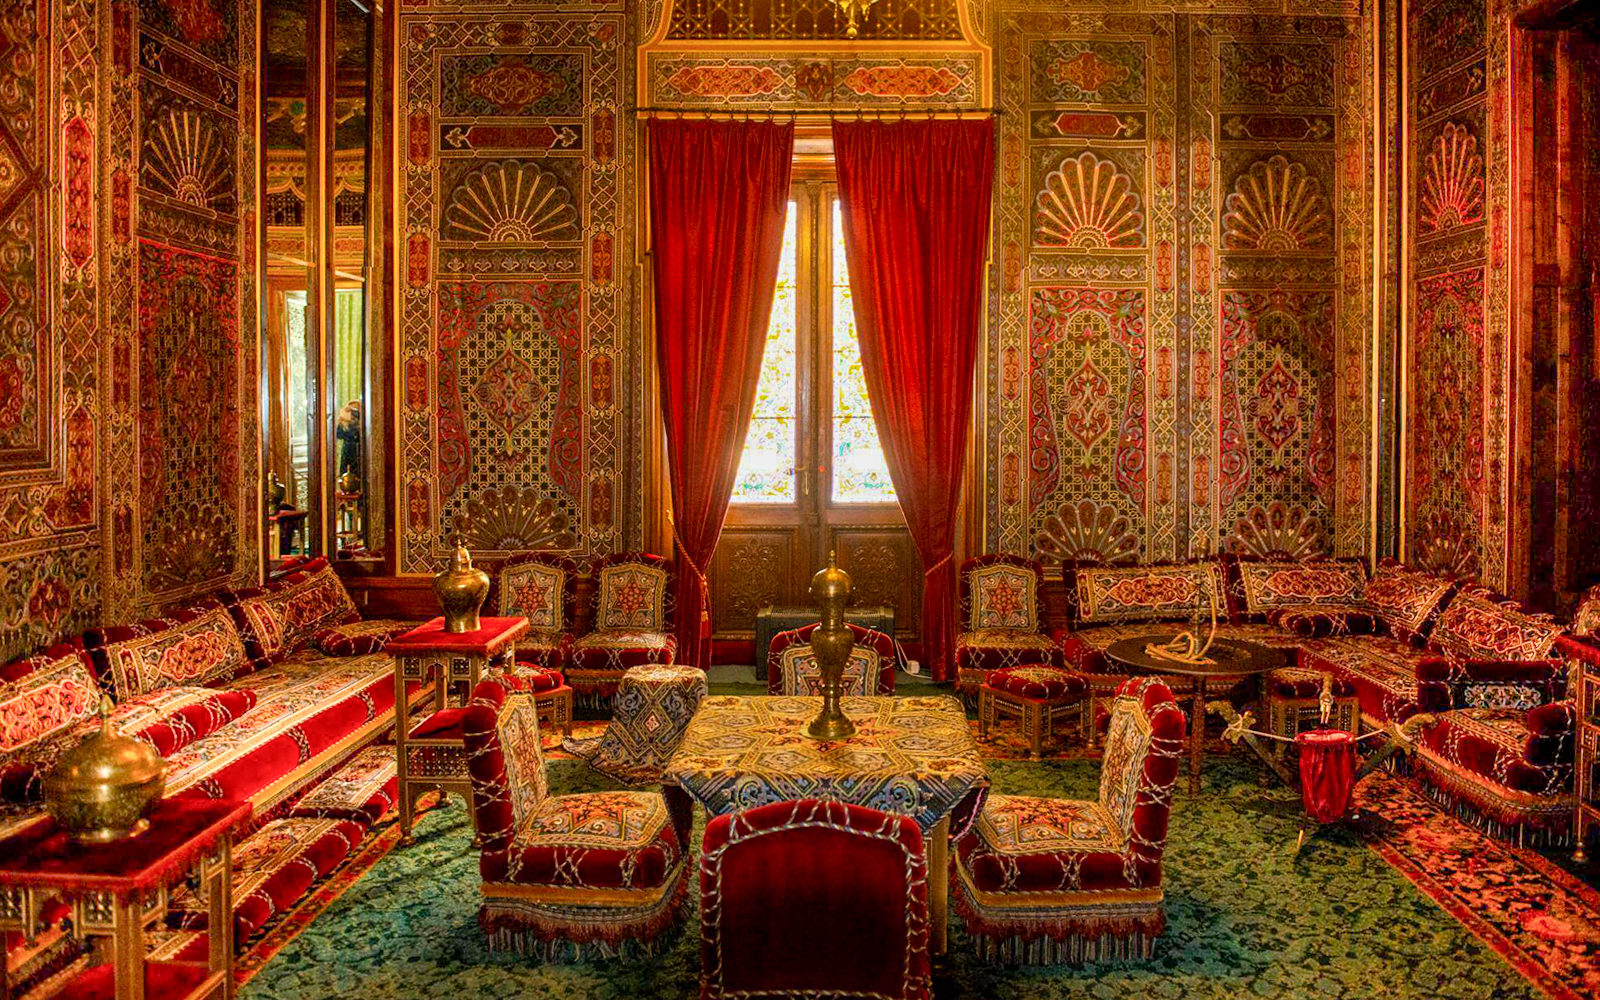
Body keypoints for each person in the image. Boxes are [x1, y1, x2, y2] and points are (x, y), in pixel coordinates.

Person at [336, 399, 362, 478]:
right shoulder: (346, 423)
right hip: (347, 448)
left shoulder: (363, 422)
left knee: (358, 473)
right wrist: (341, 423)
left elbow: (357, 434)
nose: (352, 414)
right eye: (350, 411)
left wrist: (355, 415)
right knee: (343, 473)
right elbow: (339, 435)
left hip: (359, 449)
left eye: (354, 410)